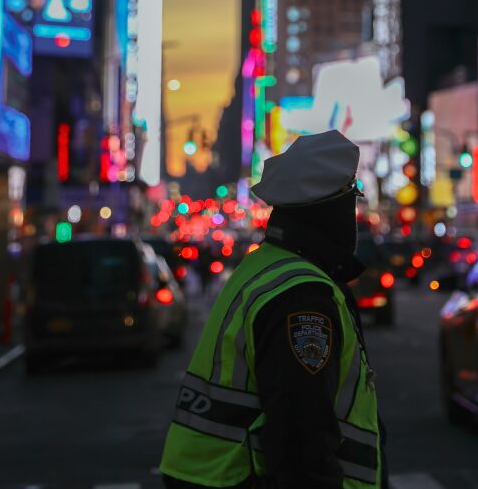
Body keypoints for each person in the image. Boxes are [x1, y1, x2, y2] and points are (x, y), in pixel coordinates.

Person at [160, 130, 385, 489]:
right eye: (350, 202)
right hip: (237, 479)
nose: (353, 217)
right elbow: (302, 438)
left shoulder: (264, 267)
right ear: (329, 212)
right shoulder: (303, 295)